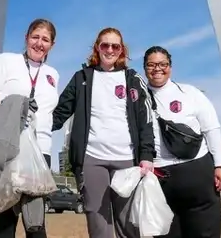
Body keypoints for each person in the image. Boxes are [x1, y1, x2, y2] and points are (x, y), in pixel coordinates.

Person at [52, 27, 156, 238]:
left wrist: (146, 156)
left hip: (127, 160)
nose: (110, 50)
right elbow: (60, 112)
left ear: (122, 50)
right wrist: (29, 123)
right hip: (93, 159)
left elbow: (145, 120)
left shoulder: (133, 79)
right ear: (97, 48)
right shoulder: (82, 77)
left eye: (115, 46)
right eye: (105, 45)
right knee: (98, 222)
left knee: (129, 222)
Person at [0, 18, 61, 238]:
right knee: (5, 223)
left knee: (36, 224)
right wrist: (15, 113)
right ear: (26, 38)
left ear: (51, 44)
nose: (39, 43)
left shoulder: (53, 75)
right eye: (35, 37)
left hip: (39, 152)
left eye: (45, 39)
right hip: (8, 148)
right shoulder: (6, 61)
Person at [142, 46, 221, 238]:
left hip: (196, 171)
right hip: (159, 176)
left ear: (170, 67)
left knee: (204, 232)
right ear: (145, 68)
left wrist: (220, 165)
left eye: (163, 64)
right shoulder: (138, 98)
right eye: (151, 65)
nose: (157, 69)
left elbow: (211, 128)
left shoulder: (190, 93)